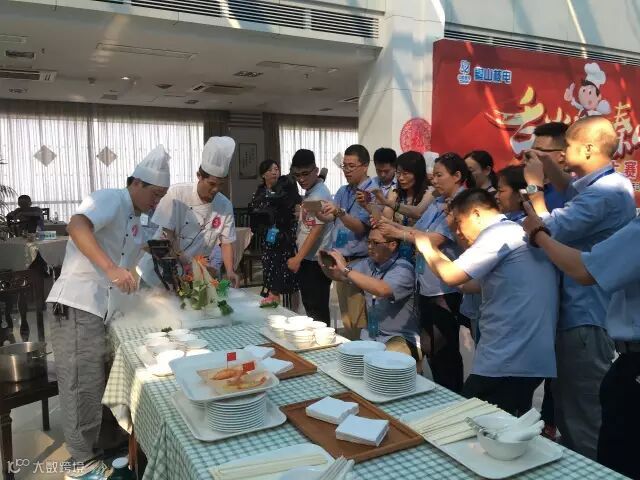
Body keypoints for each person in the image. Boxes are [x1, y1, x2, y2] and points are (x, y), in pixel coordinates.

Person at [47, 145, 170, 479]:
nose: (156, 202)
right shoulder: (110, 198)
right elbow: (77, 225)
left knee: (101, 381)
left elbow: (130, 269)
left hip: (102, 310)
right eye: (155, 195)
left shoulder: (137, 222)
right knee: (81, 384)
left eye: (162, 197)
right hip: (77, 304)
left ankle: (105, 446)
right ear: (137, 183)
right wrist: (111, 268)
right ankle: (80, 463)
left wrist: (152, 293)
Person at [523, 115, 636, 459]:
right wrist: (547, 169)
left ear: (587, 149)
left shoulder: (606, 193)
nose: (559, 154)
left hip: (587, 317)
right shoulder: (601, 186)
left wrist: (533, 188)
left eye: (566, 147)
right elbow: (569, 191)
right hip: (581, 317)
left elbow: (547, 228)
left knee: (584, 421)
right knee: (570, 411)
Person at [415, 189, 558, 416]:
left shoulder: (498, 234)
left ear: (476, 214)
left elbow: (451, 276)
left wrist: (425, 246)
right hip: (524, 356)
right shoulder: (513, 232)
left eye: (459, 223)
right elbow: (466, 285)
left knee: (466, 421)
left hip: (509, 358)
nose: (458, 233)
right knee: (507, 425)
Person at [522, 204, 640, 479]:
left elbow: (585, 270)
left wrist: (538, 233)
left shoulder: (607, 195)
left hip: (631, 362)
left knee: (615, 455)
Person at [375, 152, 473, 392]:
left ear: (457, 176)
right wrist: (389, 225)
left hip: (444, 288)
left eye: (439, 175)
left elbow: (434, 239)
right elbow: (418, 230)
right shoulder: (439, 202)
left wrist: (399, 233)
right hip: (426, 284)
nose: (434, 180)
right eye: (433, 175)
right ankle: (440, 393)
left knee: (445, 351)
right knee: (430, 347)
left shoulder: (462, 204)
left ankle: (452, 397)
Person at [137, 137, 240, 289]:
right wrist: (189, 263)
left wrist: (230, 271)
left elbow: (226, 242)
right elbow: (166, 238)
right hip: (158, 271)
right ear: (199, 176)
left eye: (221, 185)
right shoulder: (177, 195)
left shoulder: (225, 205)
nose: (216, 189)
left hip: (192, 275)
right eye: (212, 184)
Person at [321, 228, 421, 362]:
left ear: (392, 245)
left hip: (399, 338)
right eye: (368, 242)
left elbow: (382, 289)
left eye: (375, 243)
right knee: (343, 358)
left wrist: (345, 269)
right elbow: (341, 276)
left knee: (381, 363)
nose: (370, 246)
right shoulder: (368, 263)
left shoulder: (403, 268)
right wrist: (326, 265)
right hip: (371, 336)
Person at [320, 144, 374, 339]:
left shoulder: (370, 192)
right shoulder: (344, 190)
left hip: (360, 261)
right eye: (344, 166)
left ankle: (363, 354)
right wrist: (318, 212)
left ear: (365, 166)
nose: (347, 170)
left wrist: (339, 212)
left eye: (351, 166)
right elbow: (333, 218)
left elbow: (361, 228)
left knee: (360, 320)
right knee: (348, 320)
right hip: (340, 260)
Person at [287, 149, 334, 325]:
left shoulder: (319, 194)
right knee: (312, 308)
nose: (301, 179)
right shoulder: (314, 188)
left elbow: (316, 230)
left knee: (317, 311)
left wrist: (297, 258)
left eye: (305, 174)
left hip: (315, 261)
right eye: (297, 175)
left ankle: (325, 342)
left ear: (315, 170)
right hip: (309, 259)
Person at [249, 159, 301, 305]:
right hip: (269, 240)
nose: (274, 172)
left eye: (276, 169)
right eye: (270, 170)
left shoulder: (286, 188)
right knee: (272, 279)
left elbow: (296, 206)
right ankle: (274, 307)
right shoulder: (259, 193)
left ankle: (293, 311)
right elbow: (255, 219)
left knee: (290, 279)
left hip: (286, 239)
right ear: (263, 175)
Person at [531, 122, 570, 211]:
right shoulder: (526, 182)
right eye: (531, 151)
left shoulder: (572, 190)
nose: (532, 155)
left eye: (539, 151)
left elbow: (545, 219)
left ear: (562, 155)